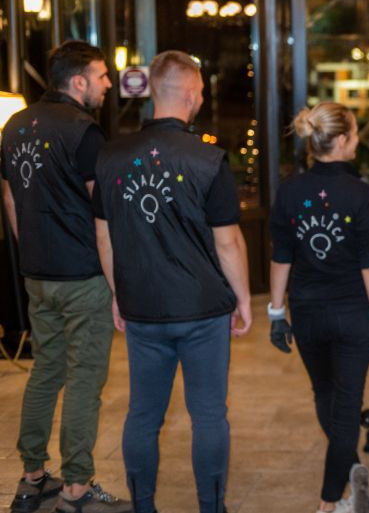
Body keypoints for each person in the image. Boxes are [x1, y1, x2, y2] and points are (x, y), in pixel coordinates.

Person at [93, 50, 252, 513]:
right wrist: (243, 299)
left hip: (142, 306)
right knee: (209, 415)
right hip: (202, 308)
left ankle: (143, 506)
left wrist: (118, 293)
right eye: (200, 91)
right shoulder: (209, 159)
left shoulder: (110, 157)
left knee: (143, 415)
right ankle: (210, 507)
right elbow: (228, 243)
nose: (201, 98)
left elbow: (103, 236)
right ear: (190, 93)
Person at [2, 41, 130, 513]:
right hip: (83, 276)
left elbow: (10, 198)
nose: (108, 84)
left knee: (45, 370)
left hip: (37, 273)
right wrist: (118, 285)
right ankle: (76, 488)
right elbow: (103, 219)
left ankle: (33, 478)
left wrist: (33, 249)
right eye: (101, 76)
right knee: (84, 379)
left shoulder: (14, 126)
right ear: (78, 81)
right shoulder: (83, 132)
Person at [267, 102, 369, 513]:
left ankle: (348, 483)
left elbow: (281, 256)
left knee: (326, 395)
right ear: (343, 139)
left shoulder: (289, 191)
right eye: (355, 133)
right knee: (346, 407)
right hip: (352, 314)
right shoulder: (362, 193)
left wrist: (276, 313)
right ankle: (330, 501)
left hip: (307, 312)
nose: (358, 140)